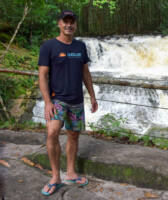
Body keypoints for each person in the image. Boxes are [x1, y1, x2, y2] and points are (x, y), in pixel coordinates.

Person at [38, 10, 98, 195]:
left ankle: (71, 172)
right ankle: (55, 176)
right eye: (66, 22)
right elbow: (42, 75)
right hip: (57, 99)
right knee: (52, 132)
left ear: (75, 25)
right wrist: (47, 102)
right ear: (59, 24)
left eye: (72, 22)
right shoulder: (48, 46)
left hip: (77, 100)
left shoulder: (80, 46)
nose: (69, 25)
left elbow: (85, 73)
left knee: (73, 135)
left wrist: (92, 96)